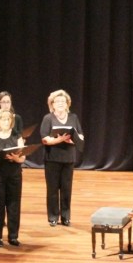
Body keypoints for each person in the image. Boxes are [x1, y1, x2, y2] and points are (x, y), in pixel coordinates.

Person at [40, 89, 85, 227]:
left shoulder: (73, 118)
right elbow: (45, 139)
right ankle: (53, 216)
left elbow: (81, 136)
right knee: (52, 189)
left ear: (67, 104)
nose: (60, 103)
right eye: (57, 101)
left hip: (68, 158)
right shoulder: (48, 118)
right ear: (52, 104)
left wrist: (72, 140)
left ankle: (66, 216)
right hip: (52, 158)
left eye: (63, 101)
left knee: (66, 189)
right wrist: (59, 140)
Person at [0, 109, 26, 247]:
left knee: (14, 205)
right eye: (3, 119)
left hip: (14, 175)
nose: (6, 122)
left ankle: (13, 236)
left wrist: (16, 158)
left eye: (8, 120)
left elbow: (23, 157)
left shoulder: (16, 135)